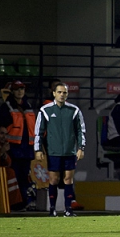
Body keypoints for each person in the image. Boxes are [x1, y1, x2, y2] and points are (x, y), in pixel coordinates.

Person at [34, 82, 86, 217]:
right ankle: (52, 209)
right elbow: (38, 131)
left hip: (70, 151)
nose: (62, 95)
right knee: (54, 179)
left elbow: (81, 130)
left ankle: (68, 209)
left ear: (67, 94)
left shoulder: (74, 110)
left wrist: (81, 147)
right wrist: (38, 149)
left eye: (64, 92)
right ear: (54, 93)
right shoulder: (45, 110)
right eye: (59, 92)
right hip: (53, 151)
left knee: (68, 178)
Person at [0, 80, 36, 207]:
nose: (20, 91)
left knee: (24, 177)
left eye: (22, 89)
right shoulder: (6, 106)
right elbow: (1, 128)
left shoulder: (28, 106)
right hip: (13, 148)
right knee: (15, 176)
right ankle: (15, 203)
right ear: (12, 91)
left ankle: (23, 202)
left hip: (26, 149)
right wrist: (3, 145)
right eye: (17, 89)